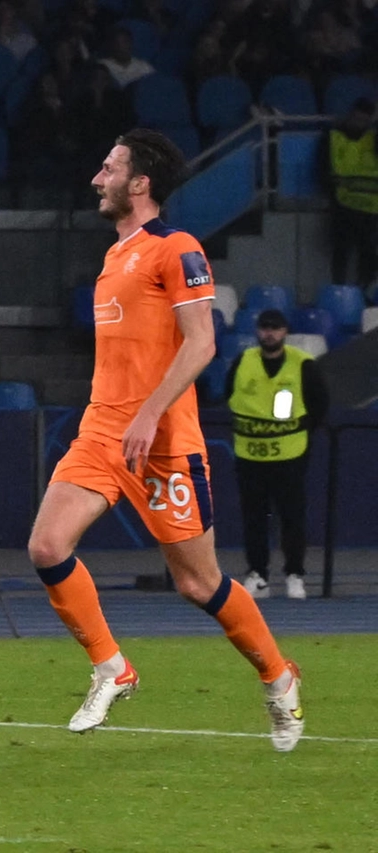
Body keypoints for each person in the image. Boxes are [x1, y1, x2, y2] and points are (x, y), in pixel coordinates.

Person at [28, 128, 303, 751]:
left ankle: (278, 674)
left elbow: (202, 343)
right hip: (102, 430)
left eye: (108, 168)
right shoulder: (111, 257)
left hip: (163, 440)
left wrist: (150, 414)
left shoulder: (176, 248)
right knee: (47, 546)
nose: (98, 179)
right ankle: (111, 668)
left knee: (197, 584)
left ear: (139, 182)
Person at [224, 309, 330, 601]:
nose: (269, 333)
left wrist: (301, 432)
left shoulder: (302, 364)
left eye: (276, 328)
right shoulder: (243, 361)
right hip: (250, 456)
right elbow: (228, 394)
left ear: (285, 332)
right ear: (258, 331)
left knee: (292, 518)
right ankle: (258, 574)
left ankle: (294, 574)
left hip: (289, 456)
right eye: (265, 328)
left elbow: (319, 403)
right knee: (254, 518)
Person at [325, 97, 378, 291]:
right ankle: (338, 290)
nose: (359, 123)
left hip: (371, 206)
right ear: (350, 114)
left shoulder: (374, 137)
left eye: (364, 119)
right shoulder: (333, 136)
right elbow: (324, 168)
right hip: (342, 204)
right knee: (341, 251)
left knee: (368, 252)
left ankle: (365, 290)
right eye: (356, 118)